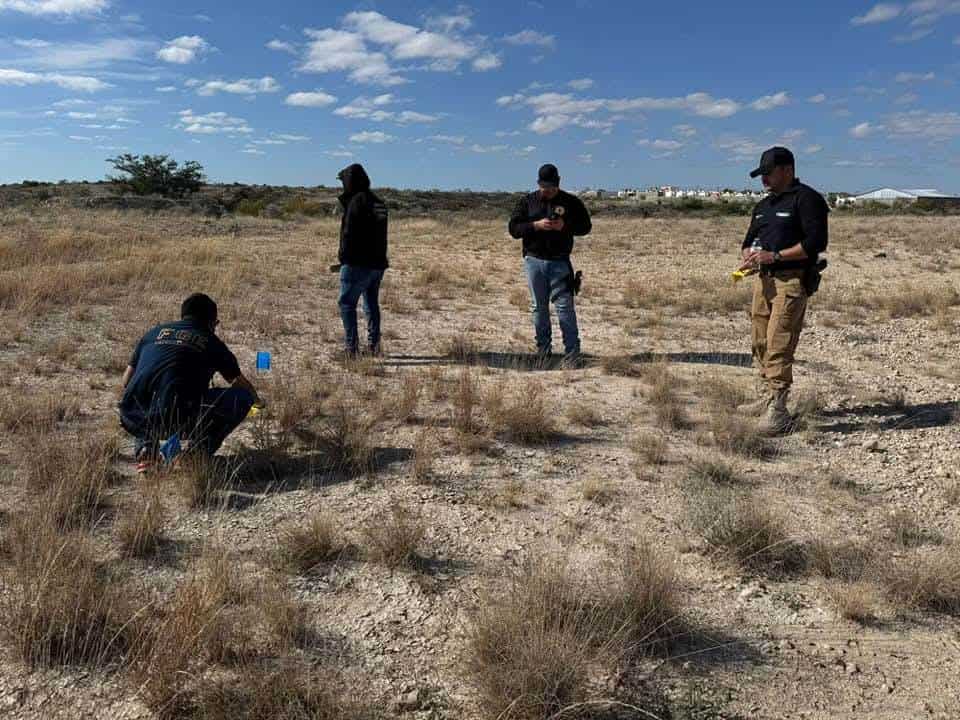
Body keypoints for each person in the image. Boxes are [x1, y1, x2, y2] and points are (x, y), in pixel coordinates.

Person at [737, 147, 829, 435]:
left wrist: (775, 257)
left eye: (768, 173)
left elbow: (815, 243)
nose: (764, 179)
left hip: (791, 281)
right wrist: (749, 257)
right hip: (763, 281)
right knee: (760, 340)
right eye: (761, 174)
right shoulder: (763, 206)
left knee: (779, 341)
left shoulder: (807, 200)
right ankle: (765, 395)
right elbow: (749, 240)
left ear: (787, 170)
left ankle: (778, 410)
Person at [118, 293, 259, 471]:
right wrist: (257, 401)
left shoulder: (153, 333)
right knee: (242, 397)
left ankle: (147, 451)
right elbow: (239, 383)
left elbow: (126, 380)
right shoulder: (212, 342)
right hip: (179, 416)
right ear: (212, 322)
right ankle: (194, 455)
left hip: (131, 415)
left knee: (148, 396)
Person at [508, 163, 592, 368]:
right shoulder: (527, 202)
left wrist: (565, 226)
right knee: (539, 309)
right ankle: (543, 352)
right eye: (545, 188)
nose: (548, 191)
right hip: (534, 262)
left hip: (560, 262)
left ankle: (572, 354)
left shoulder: (571, 202)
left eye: (552, 188)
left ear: (558, 183)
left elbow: (586, 227)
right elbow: (513, 229)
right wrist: (535, 225)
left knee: (565, 308)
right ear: (538, 184)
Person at [336, 163, 389, 358]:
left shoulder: (356, 202)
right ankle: (374, 347)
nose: (343, 185)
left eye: (344, 181)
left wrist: (344, 258)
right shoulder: (378, 201)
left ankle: (351, 350)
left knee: (347, 304)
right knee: (371, 304)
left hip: (357, 264)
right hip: (377, 264)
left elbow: (348, 234)